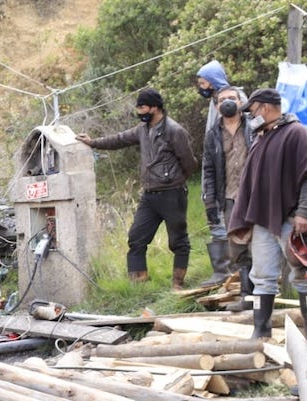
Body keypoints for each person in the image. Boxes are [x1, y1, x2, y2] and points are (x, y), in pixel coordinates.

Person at [76, 88, 197, 289]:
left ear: (155, 107)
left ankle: (178, 283)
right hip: (149, 195)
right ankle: (139, 285)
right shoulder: (142, 129)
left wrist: (174, 180)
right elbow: (119, 139)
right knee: (136, 238)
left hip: (172, 194)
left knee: (178, 241)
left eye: (142, 107)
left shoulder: (174, 131)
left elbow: (190, 162)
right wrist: (93, 142)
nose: (139, 112)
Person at [228, 88, 307, 338]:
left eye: (252, 110)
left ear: (265, 107)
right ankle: (260, 332)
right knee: (261, 277)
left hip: (291, 220)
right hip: (263, 220)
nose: (251, 116)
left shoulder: (297, 134)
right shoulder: (261, 137)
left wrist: (303, 212)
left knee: (303, 275)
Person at [199, 86, 255, 297]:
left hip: (256, 195)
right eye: (222, 100)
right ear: (216, 106)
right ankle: (247, 295)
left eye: (232, 98)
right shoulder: (212, 134)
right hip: (230, 197)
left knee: (260, 243)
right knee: (238, 246)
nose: (227, 102)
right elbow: (209, 169)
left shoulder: (254, 126)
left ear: (241, 102)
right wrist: (210, 202)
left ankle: (265, 292)